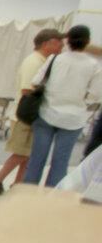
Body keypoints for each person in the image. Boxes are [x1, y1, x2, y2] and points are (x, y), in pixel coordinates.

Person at [23, 24, 102, 187]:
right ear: (87, 41)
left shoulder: (54, 59)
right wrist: (82, 100)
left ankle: (27, 196)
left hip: (46, 113)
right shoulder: (93, 65)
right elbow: (96, 94)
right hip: (73, 119)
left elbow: (36, 81)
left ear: (67, 41)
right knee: (60, 162)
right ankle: (53, 198)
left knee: (37, 158)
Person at [0, 28, 64, 195]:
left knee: (27, 155)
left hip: (32, 116)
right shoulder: (34, 62)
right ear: (47, 43)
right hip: (25, 116)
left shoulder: (43, 61)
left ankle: (17, 184)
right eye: (59, 43)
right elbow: (27, 90)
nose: (62, 46)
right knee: (21, 153)